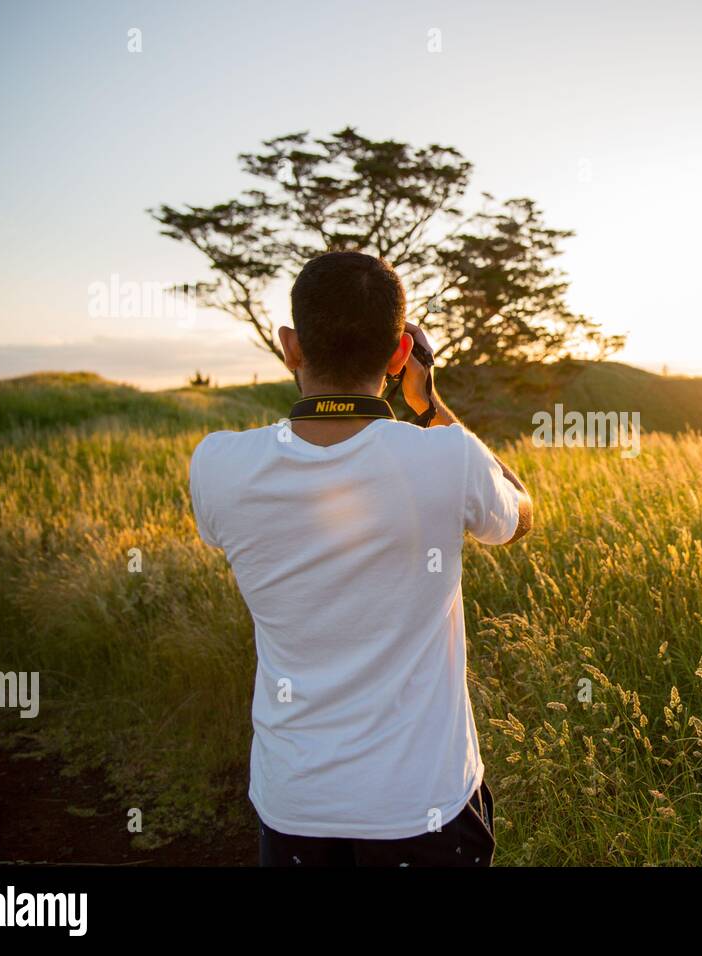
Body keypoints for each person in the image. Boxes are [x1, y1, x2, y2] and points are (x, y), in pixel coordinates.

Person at [188, 251, 533, 866]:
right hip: (423, 805)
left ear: (290, 347)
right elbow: (519, 515)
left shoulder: (219, 465)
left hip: (294, 803)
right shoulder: (448, 456)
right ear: (400, 354)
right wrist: (428, 405)